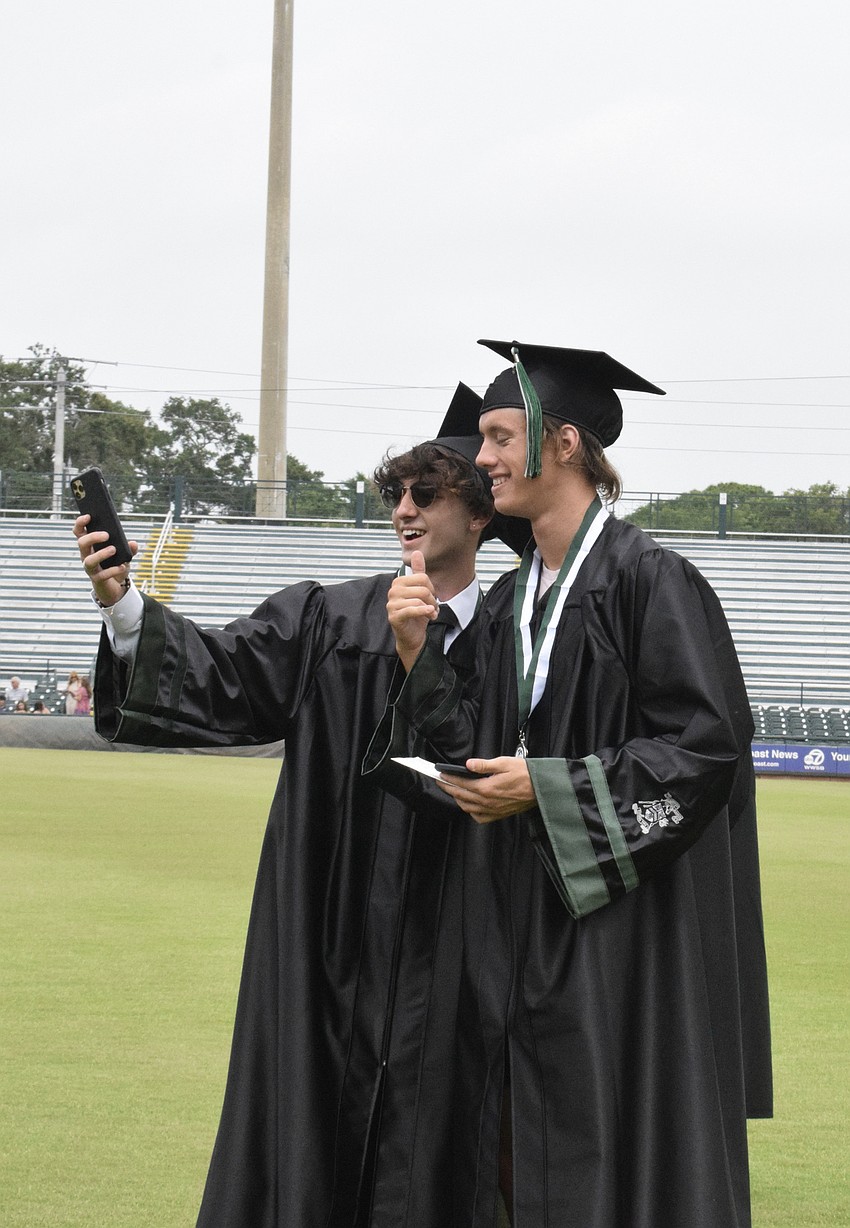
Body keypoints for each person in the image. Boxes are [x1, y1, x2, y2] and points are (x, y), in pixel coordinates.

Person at [72, 383, 529, 1228]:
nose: (404, 509)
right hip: (329, 942)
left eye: (426, 494)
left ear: (479, 513)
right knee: (310, 1140)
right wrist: (123, 605)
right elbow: (218, 675)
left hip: (460, 957)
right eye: (396, 493)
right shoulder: (329, 619)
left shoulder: (521, 639)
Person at [365, 340, 772, 1228]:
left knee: (602, 1141)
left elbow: (706, 747)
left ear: (565, 445)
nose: (483, 460)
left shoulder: (651, 582)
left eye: (502, 436)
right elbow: (463, 741)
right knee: (504, 1145)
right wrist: (417, 660)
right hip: (509, 923)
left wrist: (551, 790)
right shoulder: (514, 601)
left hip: (617, 939)